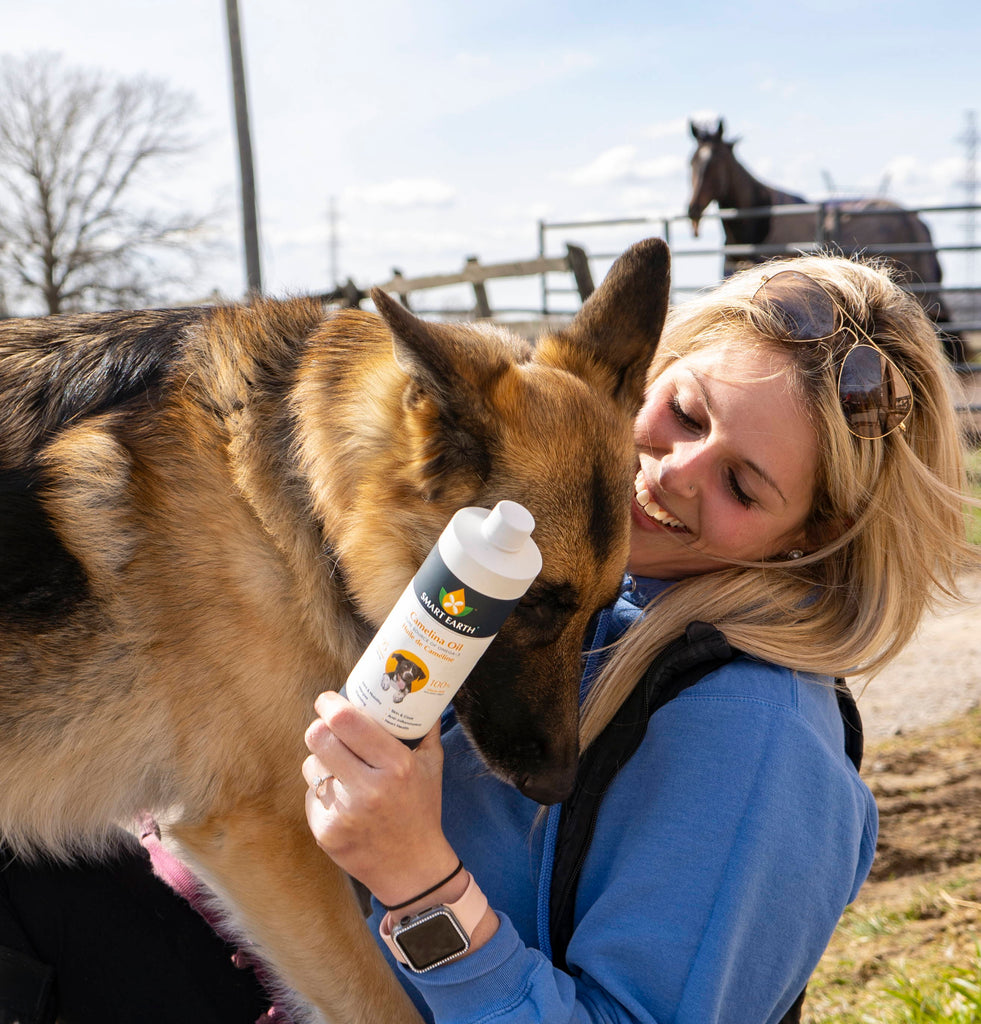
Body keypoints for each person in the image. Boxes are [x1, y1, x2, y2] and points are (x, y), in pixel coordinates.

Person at [303, 253, 981, 1024]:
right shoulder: (535, 565)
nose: (670, 474)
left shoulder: (757, 740)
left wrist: (419, 885)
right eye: (685, 415)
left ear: (811, 536)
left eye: (741, 485)